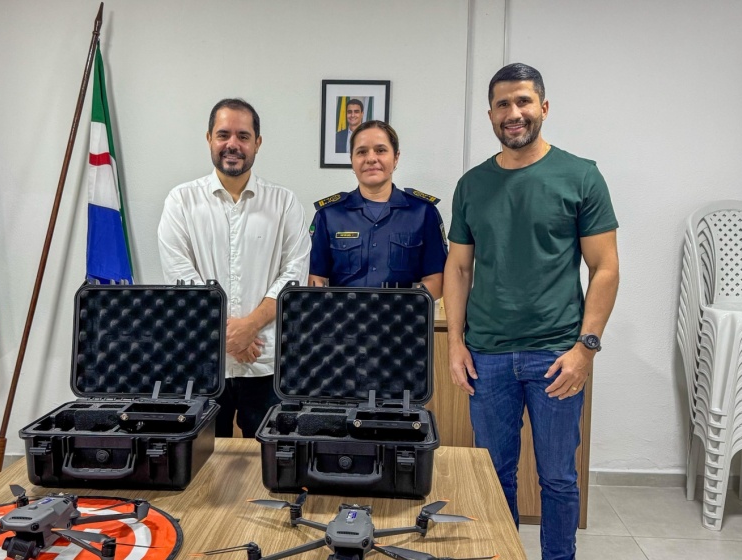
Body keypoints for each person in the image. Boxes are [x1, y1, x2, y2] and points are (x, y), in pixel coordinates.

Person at [443, 63, 619, 560]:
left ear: (543, 107)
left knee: (558, 478)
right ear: (490, 115)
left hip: (556, 355)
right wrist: (455, 343)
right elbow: (458, 267)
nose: (513, 112)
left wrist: (585, 349)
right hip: (487, 356)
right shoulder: (472, 185)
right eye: (502, 104)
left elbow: (605, 268)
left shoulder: (580, 176)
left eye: (523, 101)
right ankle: (501, 554)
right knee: (493, 475)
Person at [158, 98, 310, 438]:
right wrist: (230, 336)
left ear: (257, 142)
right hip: (202, 361)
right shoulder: (181, 201)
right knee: (204, 463)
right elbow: (180, 275)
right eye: (223, 134)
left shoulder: (284, 202)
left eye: (243, 136)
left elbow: (294, 275)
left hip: (266, 362)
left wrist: (249, 327)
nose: (233, 144)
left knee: (270, 459)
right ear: (209, 138)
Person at [309, 120, 447, 299]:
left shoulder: (423, 212)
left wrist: (402, 306)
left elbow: (436, 278)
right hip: (344, 315)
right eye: (362, 152)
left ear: (396, 157)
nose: (371, 158)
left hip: (403, 315)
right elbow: (315, 278)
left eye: (380, 150)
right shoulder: (329, 215)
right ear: (352, 160)